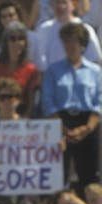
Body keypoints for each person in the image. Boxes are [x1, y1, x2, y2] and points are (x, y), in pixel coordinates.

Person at [41, 22, 101, 189]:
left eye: (74, 41)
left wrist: (87, 129)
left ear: (82, 44)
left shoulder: (95, 71)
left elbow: (99, 102)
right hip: (60, 123)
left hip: (88, 124)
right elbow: (48, 101)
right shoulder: (53, 70)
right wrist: (63, 128)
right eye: (66, 41)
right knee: (58, 175)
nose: (70, 45)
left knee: (89, 176)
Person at [0, 22, 41, 116]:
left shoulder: (31, 70)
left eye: (21, 39)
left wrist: (24, 121)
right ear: (6, 43)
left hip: (19, 114)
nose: (16, 43)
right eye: (12, 39)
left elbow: (30, 100)